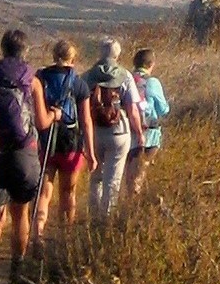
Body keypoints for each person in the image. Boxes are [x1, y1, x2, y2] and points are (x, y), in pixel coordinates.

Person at [0, 28, 57, 284]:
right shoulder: (31, 79)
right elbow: (42, 122)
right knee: (21, 212)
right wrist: (55, 115)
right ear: (25, 51)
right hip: (24, 152)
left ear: (2, 49)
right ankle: (16, 270)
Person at [82, 38, 148, 220]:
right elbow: (132, 109)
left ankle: (93, 217)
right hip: (119, 132)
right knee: (113, 180)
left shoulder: (87, 76)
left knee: (96, 177)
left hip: (93, 132)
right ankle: (106, 220)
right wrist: (140, 133)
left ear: (100, 54)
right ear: (117, 55)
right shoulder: (125, 75)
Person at [34, 40, 89, 236]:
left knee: (44, 192)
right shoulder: (79, 84)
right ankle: (65, 235)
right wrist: (90, 151)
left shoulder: (40, 79)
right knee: (68, 192)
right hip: (71, 144)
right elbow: (86, 121)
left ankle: (38, 232)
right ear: (73, 59)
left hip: (45, 142)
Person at [125, 47, 169, 199]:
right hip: (149, 133)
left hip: (127, 131)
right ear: (151, 64)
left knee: (129, 170)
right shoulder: (153, 82)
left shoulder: (126, 78)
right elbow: (164, 109)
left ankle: (128, 196)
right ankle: (134, 199)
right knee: (142, 168)